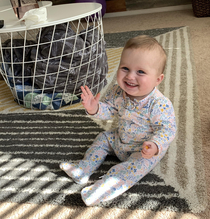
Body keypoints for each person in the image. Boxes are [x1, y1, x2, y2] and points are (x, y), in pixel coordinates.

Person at [60, 35, 177, 206]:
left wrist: (155, 145)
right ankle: (83, 169)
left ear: (158, 79)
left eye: (141, 72)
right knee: (102, 138)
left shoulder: (159, 104)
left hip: (143, 149)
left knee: (133, 169)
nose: (130, 76)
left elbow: (167, 129)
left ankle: (103, 188)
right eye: (125, 68)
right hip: (119, 139)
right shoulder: (116, 91)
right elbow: (108, 110)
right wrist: (95, 108)